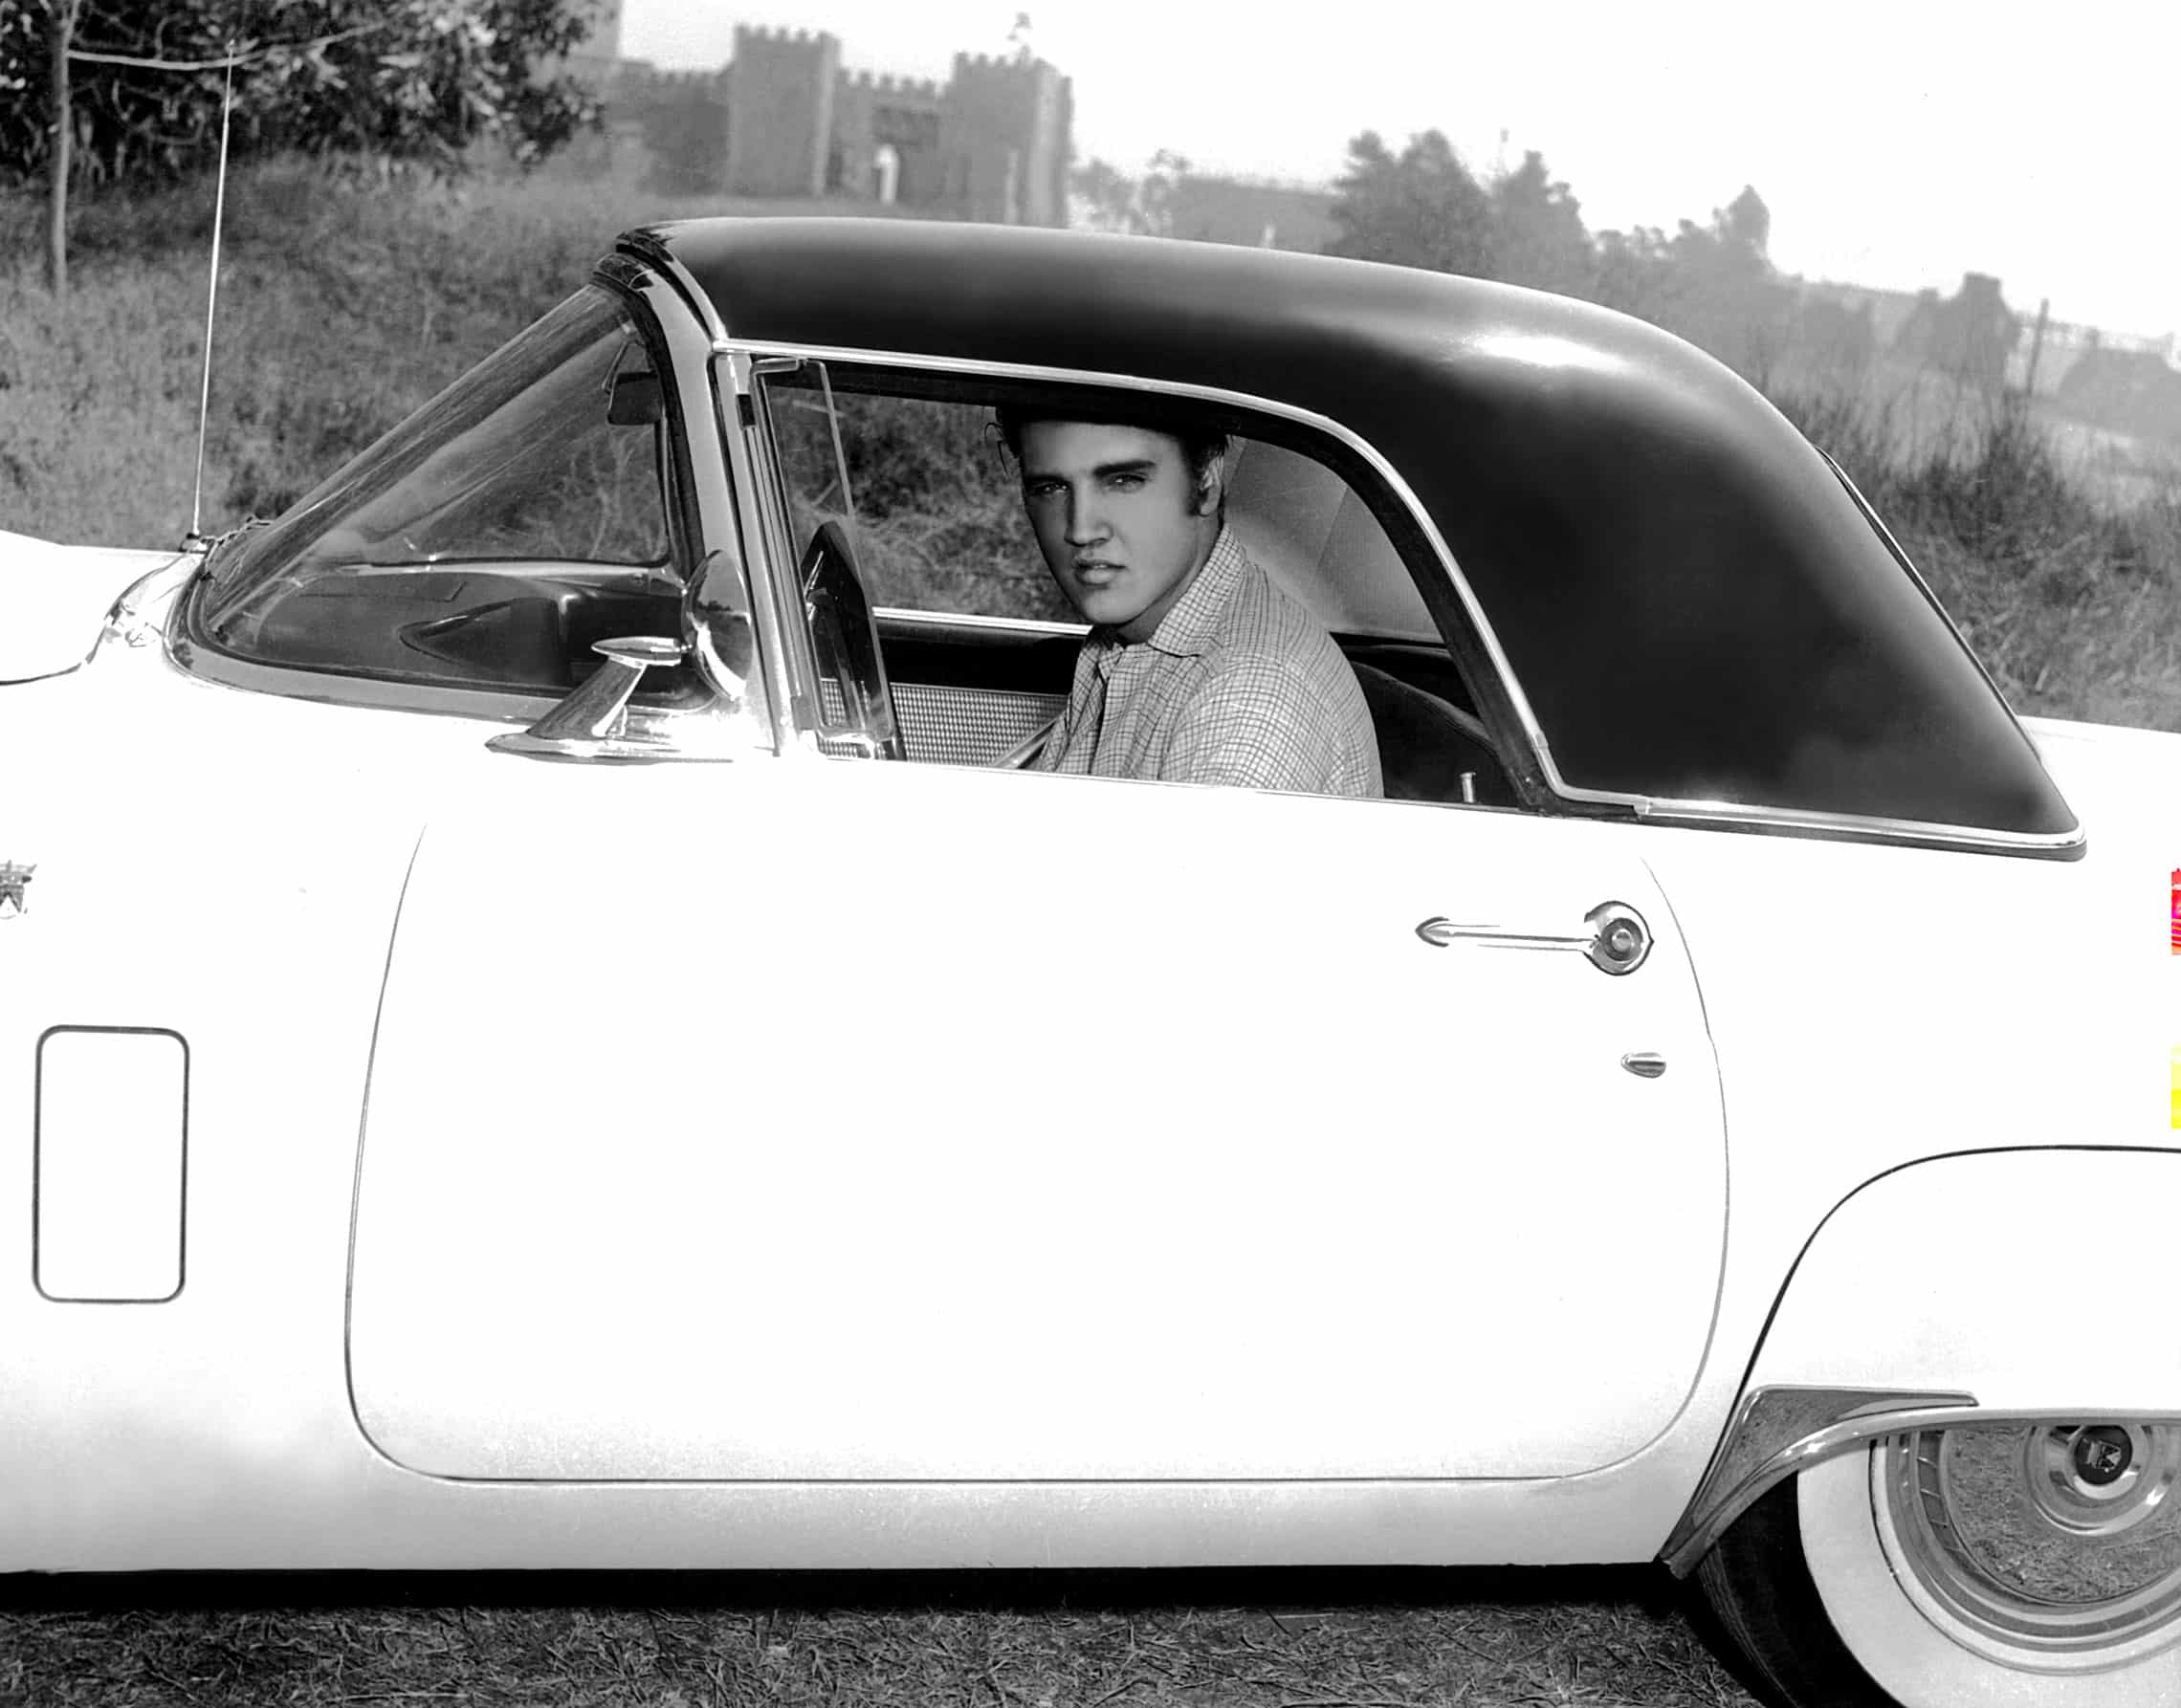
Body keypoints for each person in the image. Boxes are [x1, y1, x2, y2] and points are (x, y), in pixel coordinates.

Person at [997, 405, 1381, 799]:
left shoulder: (1248, 703)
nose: (1081, 529)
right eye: (1050, 488)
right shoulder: (1132, 636)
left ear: (1207, 482)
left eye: (1124, 480)